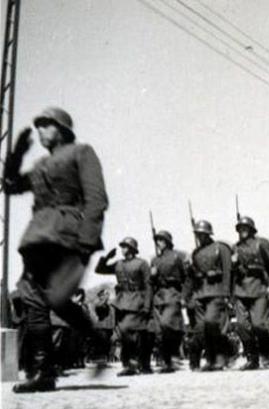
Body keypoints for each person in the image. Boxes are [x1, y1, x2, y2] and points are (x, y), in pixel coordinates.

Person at [4, 107, 108, 393]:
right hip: (38, 237)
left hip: (68, 235)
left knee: (59, 299)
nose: (40, 132)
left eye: (46, 126)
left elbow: (97, 199)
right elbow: (10, 186)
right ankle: (44, 372)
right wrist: (15, 156)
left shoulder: (81, 152)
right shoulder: (39, 165)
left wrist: (87, 241)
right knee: (33, 298)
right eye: (37, 127)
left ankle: (96, 339)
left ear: (62, 129)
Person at [96, 238, 152, 375]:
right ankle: (131, 364)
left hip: (137, 301)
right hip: (122, 303)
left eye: (125, 246)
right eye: (122, 246)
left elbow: (148, 285)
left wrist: (147, 305)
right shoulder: (118, 264)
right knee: (125, 334)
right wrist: (106, 258)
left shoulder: (142, 263)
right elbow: (99, 269)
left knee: (132, 332)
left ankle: (134, 364)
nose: (122, 249)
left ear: (132, 248)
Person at [232, 216, 269, 370]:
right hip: (241, 290)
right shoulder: (236, 248)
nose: (242, 231)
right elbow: (231, 273)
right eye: (240, 228)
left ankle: (268, 352)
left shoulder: (261, 244)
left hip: (259, 288)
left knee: (259, 325)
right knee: (242, 326)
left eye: (245, 228)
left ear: (251, 229)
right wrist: (233, 263)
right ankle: (251, 357)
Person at [186, 220, 233, 371]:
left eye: (202, 234)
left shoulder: (221, 248)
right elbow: (192, 278)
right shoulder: (195, 253)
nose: (200, 237)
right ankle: (211, 359)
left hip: (217, 291)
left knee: (211, 322)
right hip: (200, 294)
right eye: (198, 234)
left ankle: (223, 355)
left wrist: (227, 294)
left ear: (208, 234)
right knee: (202, 329)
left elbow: (228, 271)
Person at [150, 230, 187, 373]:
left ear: (167, 241)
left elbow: (185, 278)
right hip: (159, 296)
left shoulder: (178, 256)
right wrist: (153, 276)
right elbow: (150, 282)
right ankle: (167, 361)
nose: (158, 243)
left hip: (172, 293)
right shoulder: (154, 260)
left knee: (168, 324)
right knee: (160, 330)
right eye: (157, 241)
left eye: (160, 240)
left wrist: (183, 295)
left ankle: (174, 355)